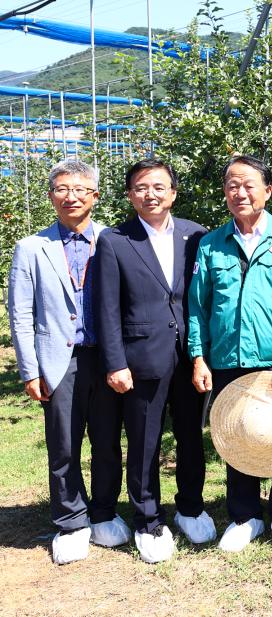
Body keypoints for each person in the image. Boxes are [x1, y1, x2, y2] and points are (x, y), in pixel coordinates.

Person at [7, 158, 129, 564]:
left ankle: (104, 512)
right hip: (59, 361)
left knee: (108, 442)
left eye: (80, 189)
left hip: (108, 358)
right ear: (51, 196)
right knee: (64, 445)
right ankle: (71, 521)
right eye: (62, 189)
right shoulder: (32, 248)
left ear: (95, 196)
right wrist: (30, 370)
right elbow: (21, 314)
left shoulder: (114, 240)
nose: (71, 196)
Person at [93, 159, 214, 563]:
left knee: (190, 437)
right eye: (141, 188)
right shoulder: (115, 240)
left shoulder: (195, 235)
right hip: (141, 356)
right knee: (145, 440)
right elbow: (107, 308)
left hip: (190, 355)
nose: (151, 194)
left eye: (159, 187)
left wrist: (203, 352)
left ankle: (190, 507)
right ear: (130, 195)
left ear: (173, 193)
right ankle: (148, 519)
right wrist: (115, 362)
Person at [187, 154, 272, 553]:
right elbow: (198, 306)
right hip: (228, 359)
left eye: (249, 185)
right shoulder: (210, 244)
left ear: (267, 191)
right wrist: (199, 355)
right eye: (232, 185)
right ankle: (245, 515)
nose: (240, 192)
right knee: (236, 435)